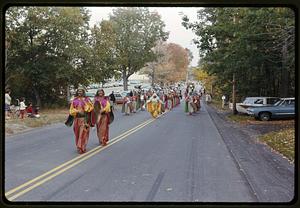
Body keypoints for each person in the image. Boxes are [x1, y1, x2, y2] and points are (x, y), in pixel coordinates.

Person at [69, 88, 94, 154]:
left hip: (84, 119)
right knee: (77, 134)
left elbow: (91, 107)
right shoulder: (74, 100)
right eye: (78, 91)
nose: (80, 92)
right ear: (77, 92)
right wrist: (76, 111)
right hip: (77, 119)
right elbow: (71, 110)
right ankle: (79, 146)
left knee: (83, 133)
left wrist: (86, 108)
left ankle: (82, 147)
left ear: (83, 92)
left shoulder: (87, 100)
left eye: (81, 91)